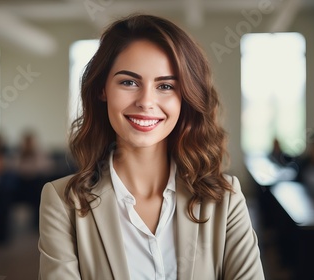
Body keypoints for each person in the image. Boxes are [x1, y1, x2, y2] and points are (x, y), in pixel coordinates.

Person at [38, 15, 264, 279]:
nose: (146, 101)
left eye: (165, 86)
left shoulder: (226, 200)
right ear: (103, 89)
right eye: (129, 82)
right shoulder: (62, 202)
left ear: (186, 98)